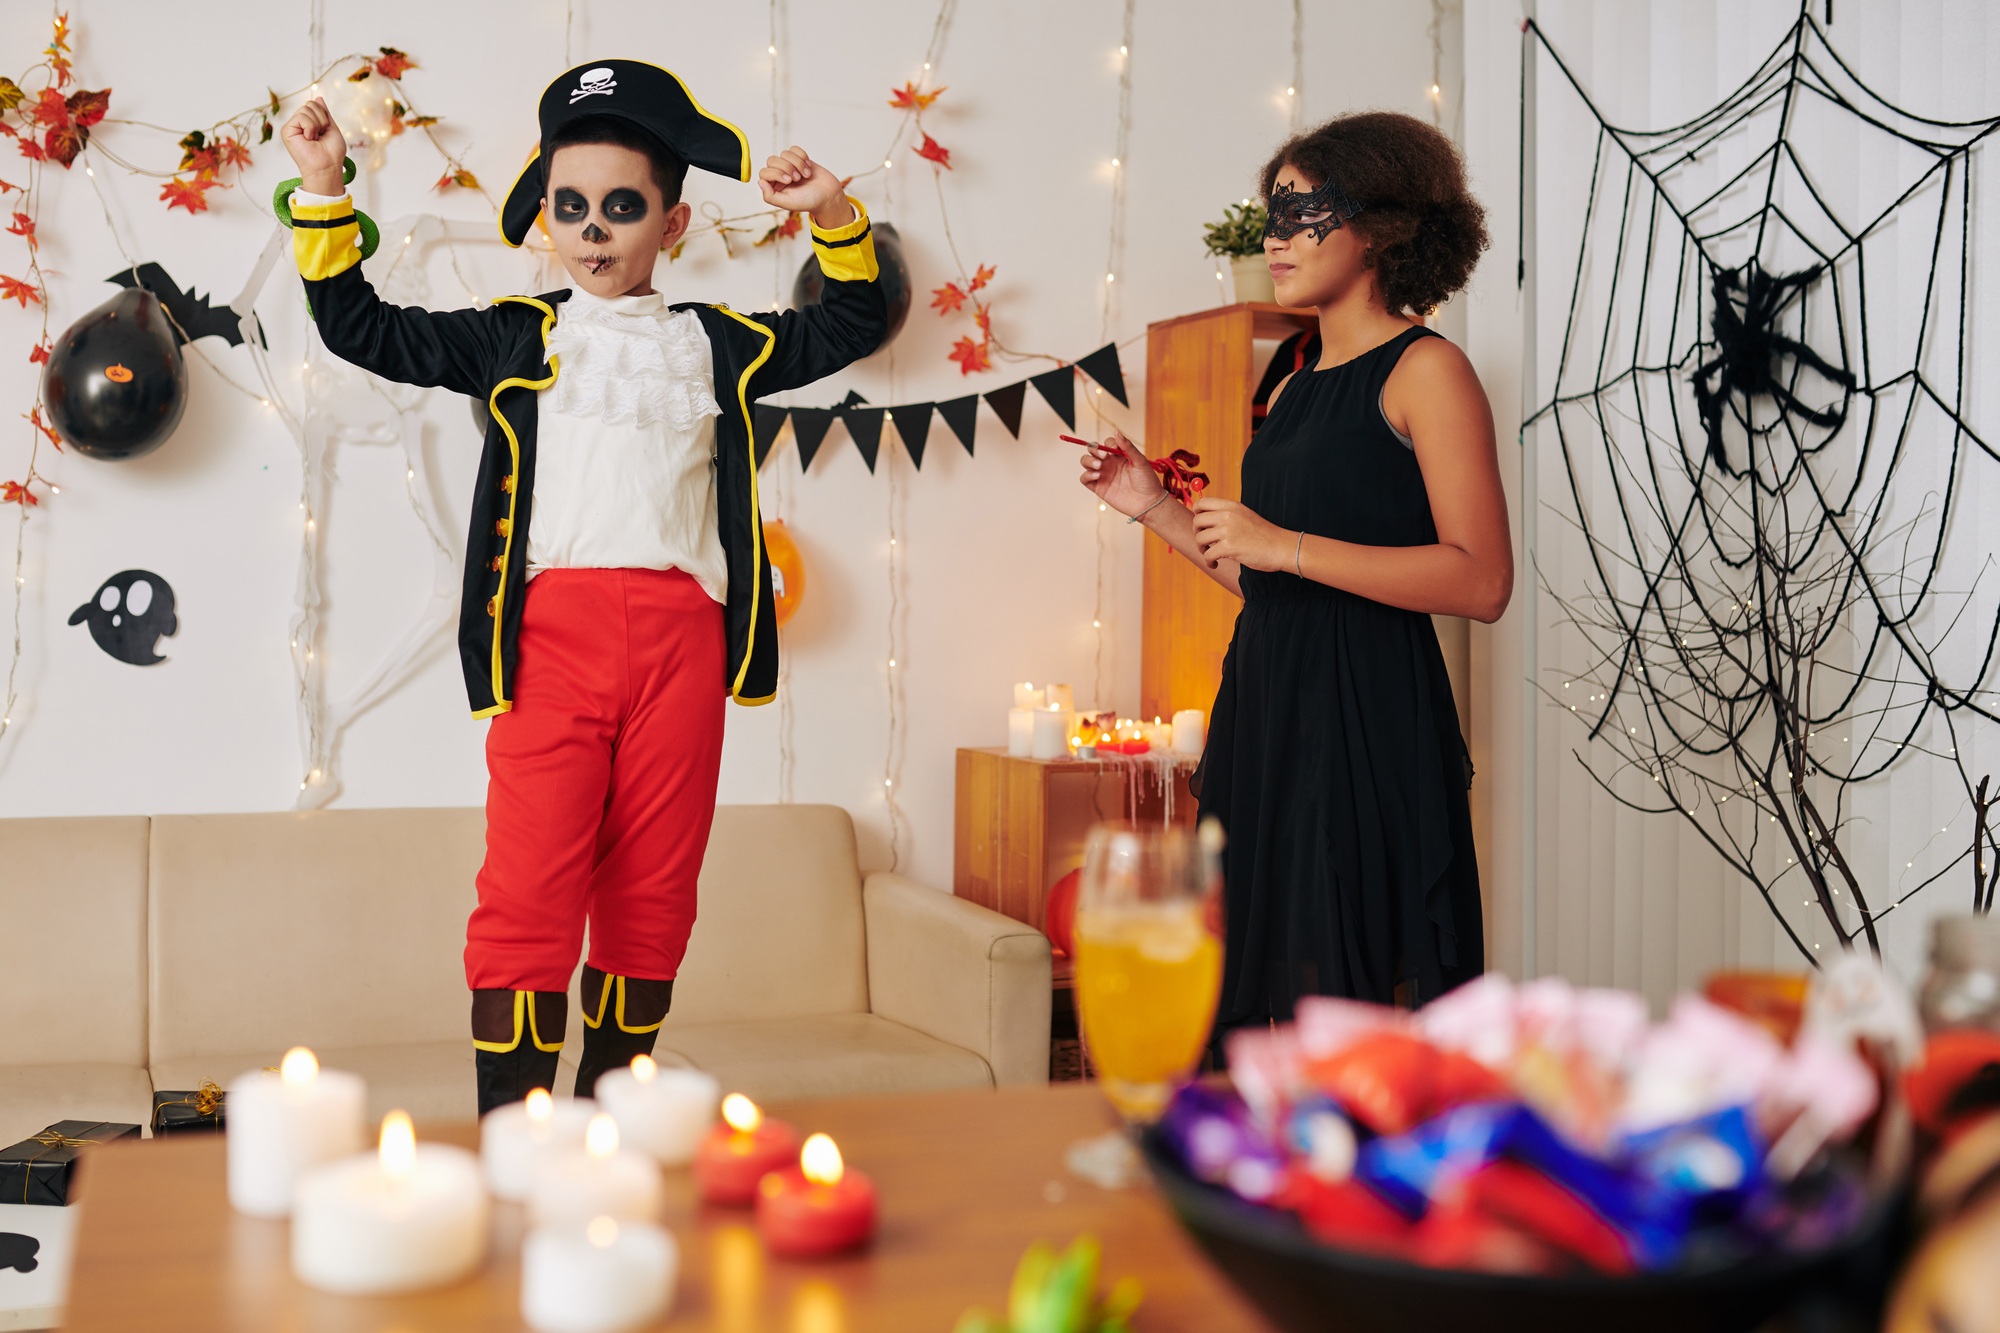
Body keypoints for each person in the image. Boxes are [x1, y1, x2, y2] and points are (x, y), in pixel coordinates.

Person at [278, 60, 887, 1114]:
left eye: (620, 207)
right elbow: (360, 327)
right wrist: (326, 186)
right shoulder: (517, 333)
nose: (594, 229)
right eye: (571, 208)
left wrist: (829, 212)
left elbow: (851, 322)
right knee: (528, 887)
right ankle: (514, 1128)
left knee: (655, 888)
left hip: (684, 643)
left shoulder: (717, 345)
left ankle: (610, 1115)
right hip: (548, 638)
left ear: (672, 219)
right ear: (546, 222)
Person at [1079, 111, 1510, 1039]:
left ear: (1383, 225)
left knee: (1349, 1001)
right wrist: (1152, 504)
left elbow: (1482, 583)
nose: (1275, 236)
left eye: (1304, 212)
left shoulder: (1427, 370)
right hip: (1266, 711)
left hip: (1366, 718)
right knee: (1246, 987)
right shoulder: (1294, 375)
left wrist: (1285, 545)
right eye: (1270, 213)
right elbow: (1269, 579)